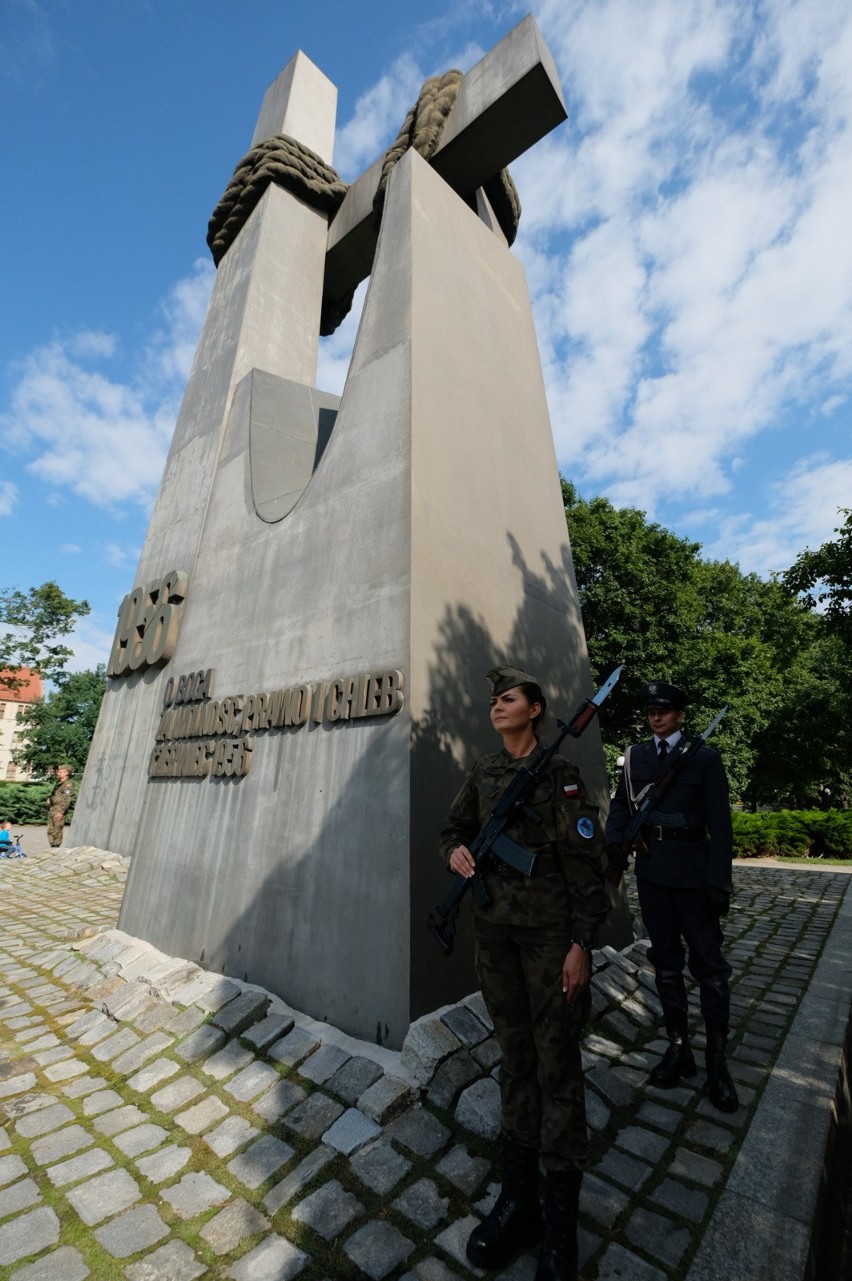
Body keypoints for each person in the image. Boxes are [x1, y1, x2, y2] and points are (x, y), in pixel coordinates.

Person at [439, 665, 610, 1281]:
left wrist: (581, 944)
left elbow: (589, 869)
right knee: (514, 1059)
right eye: (492, 700)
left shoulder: (562, 777)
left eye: (507, 699)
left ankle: (560, 1231)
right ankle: (518, 1204)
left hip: (549, 944)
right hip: (496, 938)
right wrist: (455, 852)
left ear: (535, 709)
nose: (496, 706)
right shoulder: (485, 771)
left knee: (557, 1064)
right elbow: (452, 829)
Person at [604, 681, 738, 1112]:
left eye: (664, 711)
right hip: (654, 873)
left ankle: (717, 1062)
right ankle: (678, 1047)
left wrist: (719, 882)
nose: (656, 717)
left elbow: (721, 825)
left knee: (710, 968)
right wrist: (615, 846)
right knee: (665, 964)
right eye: (650, 711)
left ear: (680, 714)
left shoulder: (703, 758)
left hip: (695, 876)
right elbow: (621, 808)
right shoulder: (636, 757)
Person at [46, 765, 74, 848]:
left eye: (61, 772)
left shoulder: (68, 784)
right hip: (53, 809)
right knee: (51, 829)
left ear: (66, 773)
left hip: (59, 810)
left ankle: (56, 847)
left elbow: (67, 799)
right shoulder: (59, 783)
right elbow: (56, 795)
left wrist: (61, 812)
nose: (58, 773)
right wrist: (50, 800)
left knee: (57, 830)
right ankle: (52, 846)